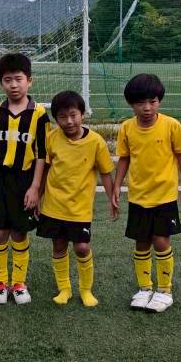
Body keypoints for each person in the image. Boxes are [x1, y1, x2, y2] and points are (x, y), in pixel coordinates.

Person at [110, 73, 181, 313]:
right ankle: (144, 288)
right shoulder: (127, 128)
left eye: (152, 102)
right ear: (131, 104)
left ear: (159, 101)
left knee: (161, 241)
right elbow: (124, 159)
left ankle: (165, 290)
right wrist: (116, 186)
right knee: (141, 242)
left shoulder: (171, 125)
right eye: (140, 103)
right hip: (138, 196)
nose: (147, 108)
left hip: (164, 196)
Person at [0, 53, 48, 305]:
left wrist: (35, 187)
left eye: (18, 79)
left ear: (30, 81)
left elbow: (42, 154)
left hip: (25, 180)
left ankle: (19, 283)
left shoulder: (39, 114)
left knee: (19, 232)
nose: (13, 85)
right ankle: (0, 283)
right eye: (8, 80)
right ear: (1, 83)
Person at [37, 90, 117, 307]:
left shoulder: (96, 142)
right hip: (54, 206)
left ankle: (85, 289)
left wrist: (112, 198)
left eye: (73, 115)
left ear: (82, 114)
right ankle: (64, 289)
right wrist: (38, 195)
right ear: (56, 119)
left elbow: (105, 173)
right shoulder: (51, 138)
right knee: (59, 246)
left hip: (80, 209)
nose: (69, 121)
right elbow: (45, 169)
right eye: (62, 117)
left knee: (82, 247)